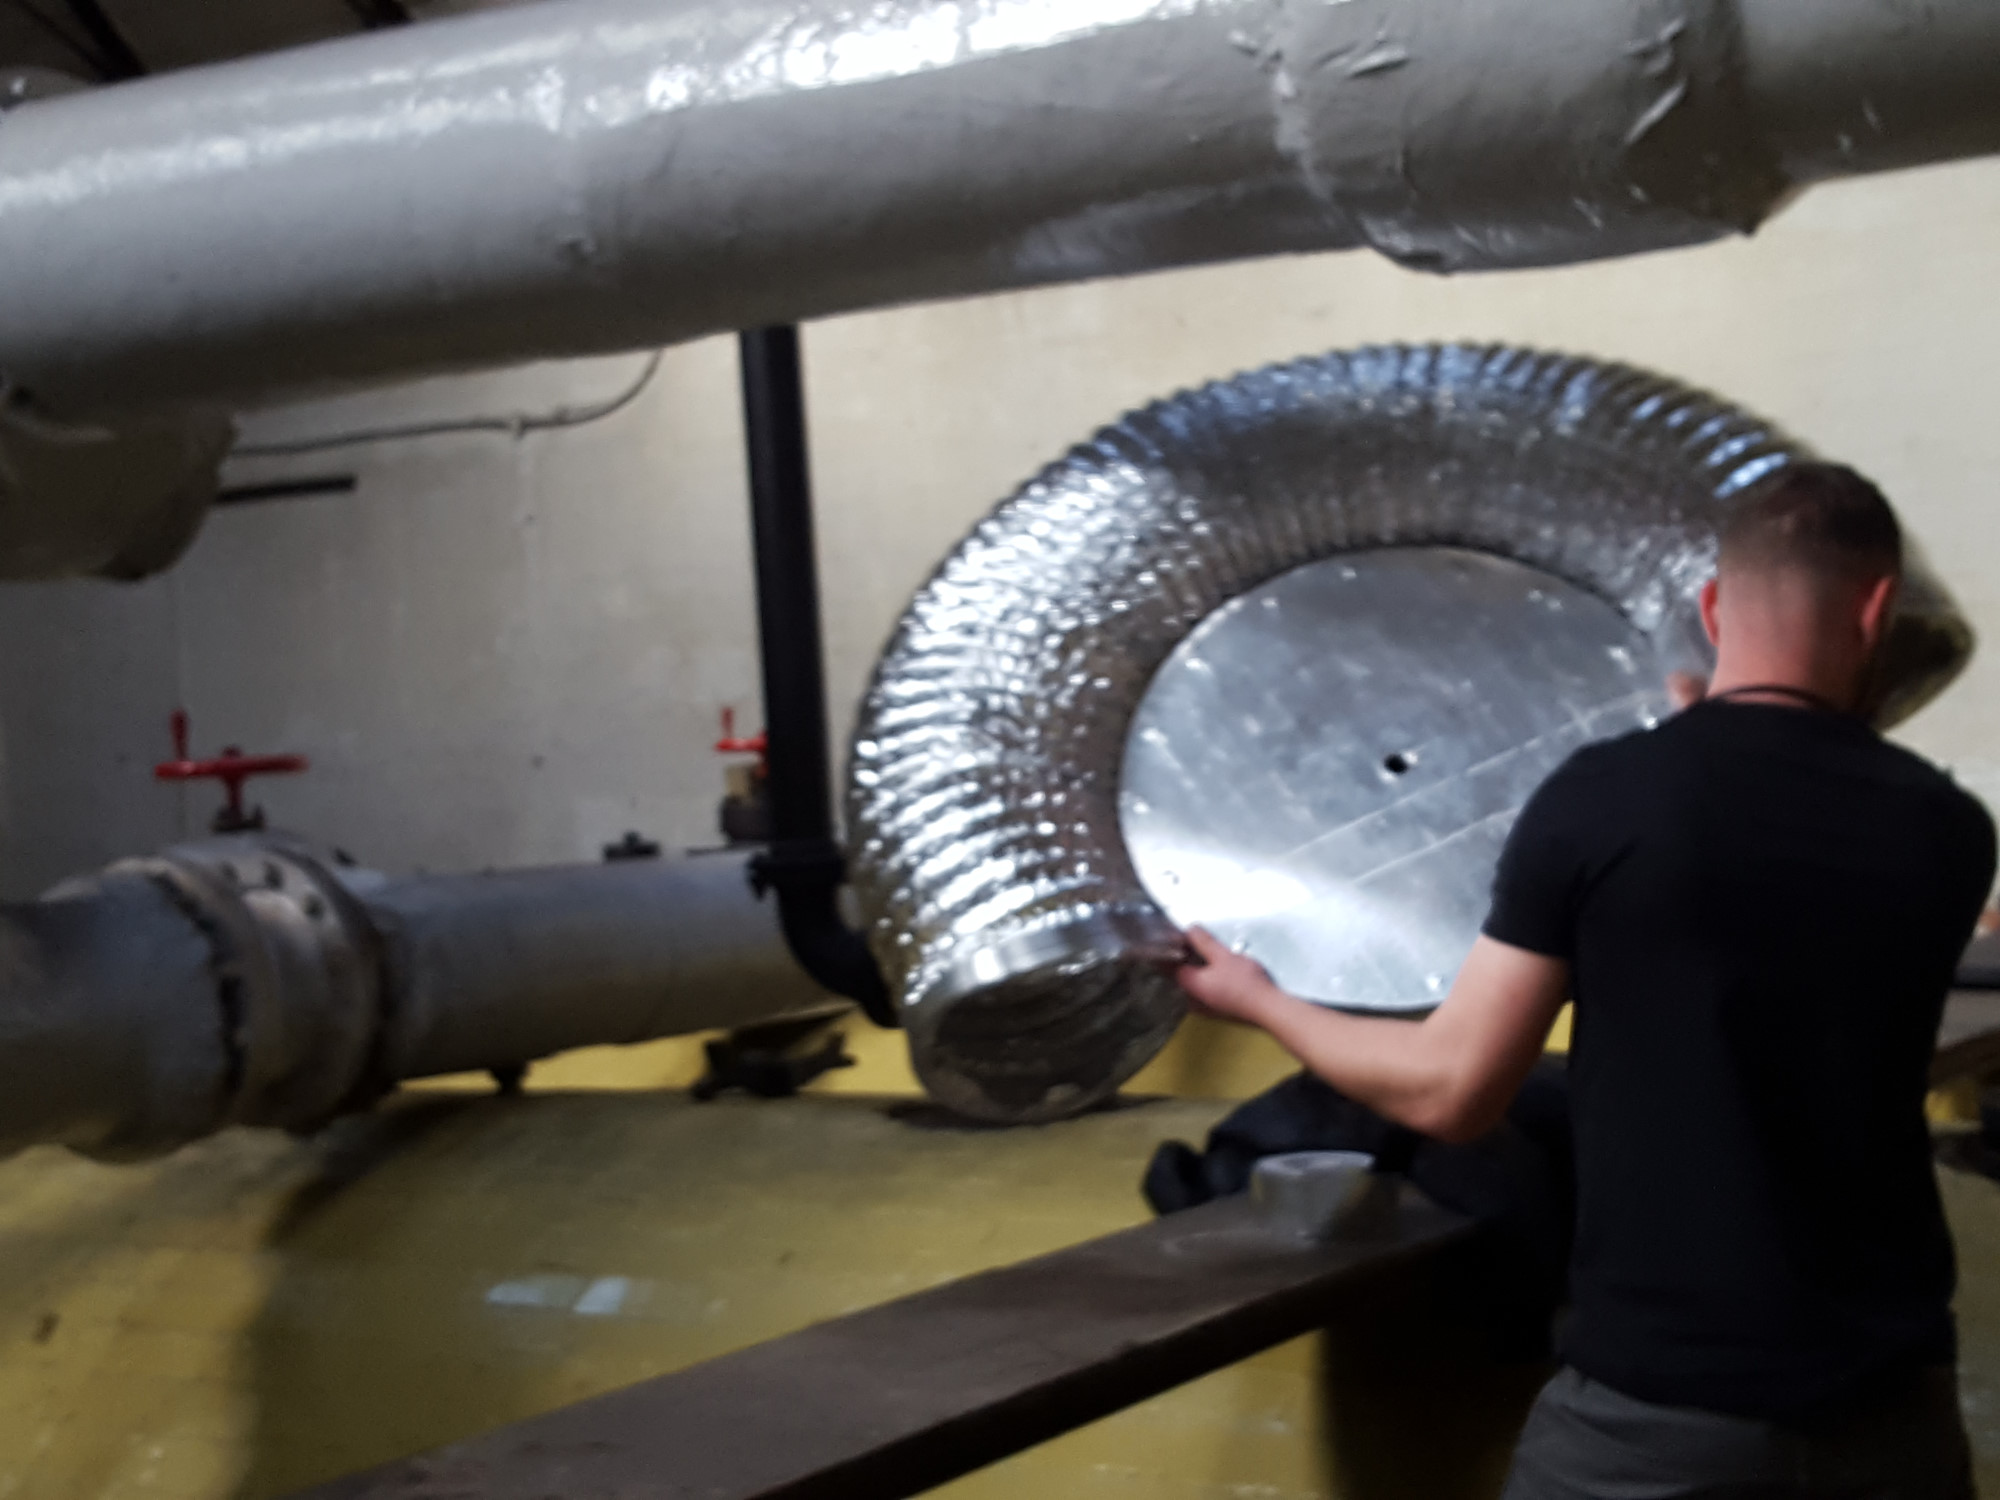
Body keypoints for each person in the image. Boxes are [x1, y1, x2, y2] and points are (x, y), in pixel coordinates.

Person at [1176, 463, 1995, 1500]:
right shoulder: (1946, 830)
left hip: (1661, 1414)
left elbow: (1451, 1089)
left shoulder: (1607, 798)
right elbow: (1788, 872)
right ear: (1877, 611)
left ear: (1711, 609)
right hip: (1893, 1413)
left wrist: (1258, 999)